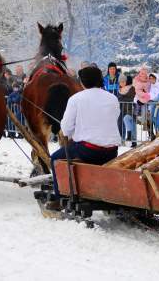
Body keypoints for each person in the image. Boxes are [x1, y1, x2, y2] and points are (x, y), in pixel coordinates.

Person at [48, 67, 121, 210]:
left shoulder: (76, 99)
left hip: (88, 150)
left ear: (82, 82)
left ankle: (59, 197)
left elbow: (67, 129)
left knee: (55, 158)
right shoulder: (112, 98)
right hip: (112, 151)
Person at [118, 74, 137, 147]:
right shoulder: (120, 90)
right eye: (120, 82)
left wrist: (121, 99)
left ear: (126, 81)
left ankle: (133, 141)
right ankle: (123, 139)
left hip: (131, 108)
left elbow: (132, 98)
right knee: (122, 123)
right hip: (122, 109)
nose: (122, 83)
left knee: (132, 123)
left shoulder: (132, 88)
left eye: (123, 81)